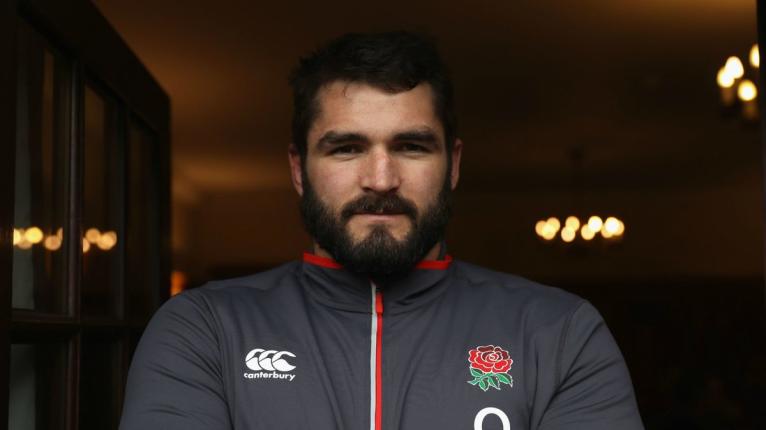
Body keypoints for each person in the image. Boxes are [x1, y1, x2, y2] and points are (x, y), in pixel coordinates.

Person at [119, 31, 644, 430]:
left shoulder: (560, 334)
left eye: (411, 146)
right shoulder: (204, 330)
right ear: (299, 169)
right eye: (346, 148)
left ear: (453, 164)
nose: (381, 179)